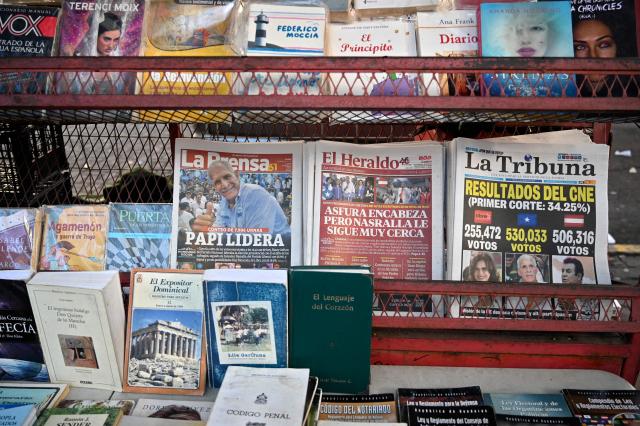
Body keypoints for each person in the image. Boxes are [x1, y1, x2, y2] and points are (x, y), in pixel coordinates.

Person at [193, 160, 290, 236]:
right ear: (214, 187)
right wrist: (206, 234)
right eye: (218, 182)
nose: (225, 185)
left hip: (280, 257)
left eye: (227, 177)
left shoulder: (255, 194)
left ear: (237, 175)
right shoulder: (225, 201)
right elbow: (219, 232)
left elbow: (256, 244)